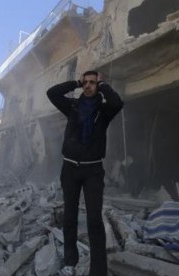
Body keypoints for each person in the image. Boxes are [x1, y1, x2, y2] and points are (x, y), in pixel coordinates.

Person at [47, 70, 123, 276]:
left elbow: (118, 103)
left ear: (97, 85)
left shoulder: (105, 109)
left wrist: (104, 84)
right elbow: (52, 93)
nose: (88, 85)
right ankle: (71, 260)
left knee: (94, 220)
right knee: (69, 217)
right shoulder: (72, 106)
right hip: (70, 168)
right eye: (86, 82)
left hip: (93, 170)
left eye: (92, 82)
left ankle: (98, 272)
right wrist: (75, 83)